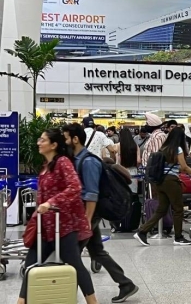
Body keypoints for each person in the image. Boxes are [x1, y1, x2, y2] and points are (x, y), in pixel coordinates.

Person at [17, 129, 97, 304]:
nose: (39, 142)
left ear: (54, 145)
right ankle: (20, 301)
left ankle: (93, 302)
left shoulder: (63, 162)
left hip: (64, 226)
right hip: (45, 228)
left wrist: (51, 203)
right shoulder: (46, 166)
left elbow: (74, 187)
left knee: (75, 265)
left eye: (43, 140)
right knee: (30, 265)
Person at [62, 123, 139, 303]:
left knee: (72, 254)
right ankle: (125, 284)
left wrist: (87, 220)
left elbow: (91, 194)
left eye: (66, 138)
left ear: (75, 139)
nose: (63, 141)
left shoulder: (88, 161)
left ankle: (65, 294)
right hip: (87, 214)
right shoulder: (77, 158)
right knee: (97, 251)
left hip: (90, 214)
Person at [134, 128, 191, 246]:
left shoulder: (163, 148)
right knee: (178, 209)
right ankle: (178, 237)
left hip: (160, 181)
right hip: (171, 181)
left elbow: (173, 166)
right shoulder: (177, 149)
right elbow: (184, 167)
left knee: (162, 209)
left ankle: (142, 231)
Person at [114, 127, 141, 194]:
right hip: (133, 172)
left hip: (120, 171)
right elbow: (138, 161)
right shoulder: (135, 146)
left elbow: (116, 160)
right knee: (132, 192)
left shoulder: (117, 146)